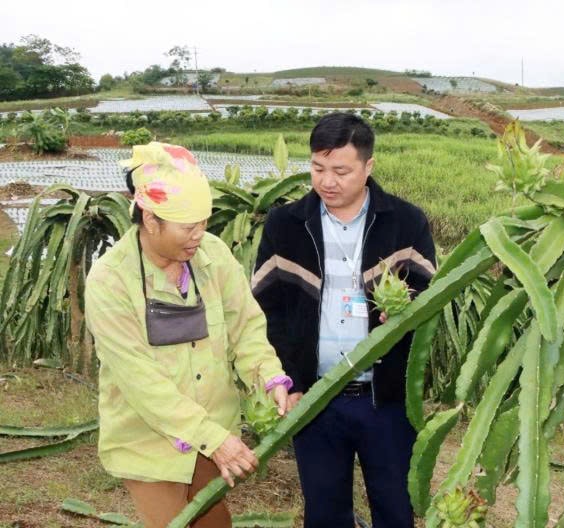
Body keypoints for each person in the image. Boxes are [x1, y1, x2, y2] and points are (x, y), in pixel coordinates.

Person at [85, 142, 293, 528]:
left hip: (214, 428)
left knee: (214, 523)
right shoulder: (110, 281)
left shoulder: (213, 256)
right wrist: (211, 438)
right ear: (151, 219)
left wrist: (267, 375)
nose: (200, 235)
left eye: (204, 222)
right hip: (148, 439)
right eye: (188, 227)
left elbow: (246, 326)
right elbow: (139, 379)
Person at [252, 113, 437, 528]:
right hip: (314, 397)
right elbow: (265, 308)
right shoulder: (285, 225)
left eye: (341, 171)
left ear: (368, 167)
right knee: (324, 513)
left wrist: (406, 310)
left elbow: (430, 292)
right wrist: (290, 380)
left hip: (386, 398)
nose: (327, 181)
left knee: (396, 508)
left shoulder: (406, 222)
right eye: (317, 168)